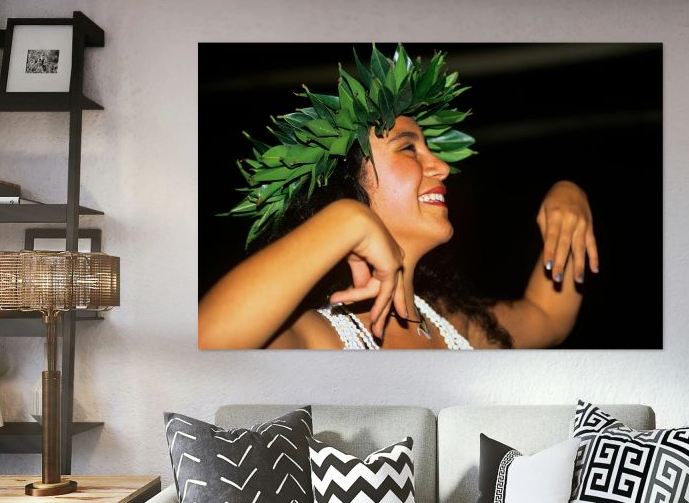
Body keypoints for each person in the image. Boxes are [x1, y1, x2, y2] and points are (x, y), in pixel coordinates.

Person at [198, 45, 599, 350]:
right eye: (409, 149)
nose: (441, 166)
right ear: (344, 189)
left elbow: (548, 316)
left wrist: (570, 195)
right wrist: (346, 220)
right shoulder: (316, 338)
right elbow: (208, 337)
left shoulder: (455, 325)